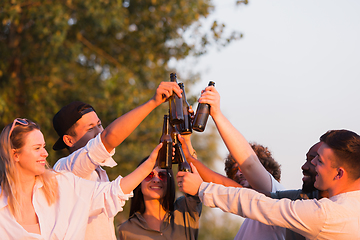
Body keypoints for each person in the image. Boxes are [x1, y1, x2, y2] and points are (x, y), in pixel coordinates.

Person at [52, 81, 182, 240]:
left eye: (99, 125)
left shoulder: (98, 172)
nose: (99, 131)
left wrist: (155, 160)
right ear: (69, 140)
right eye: (90, 128)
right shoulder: (65, 169)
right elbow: (107, 138)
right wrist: (153, 102)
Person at [178, 129, 360, 237]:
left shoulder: (327, 215)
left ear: (339, 173)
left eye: (318, 161)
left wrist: (202, 188)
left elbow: (261, 205)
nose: (310, 165)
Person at [0, 118, 162, 239]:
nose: (45, 153)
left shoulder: (62, 184)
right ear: (16, 155)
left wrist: (149, 166)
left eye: (44, 147)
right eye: (37, 148)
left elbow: (112, 192)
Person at [180, 134, 285, 240]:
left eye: (243, 168)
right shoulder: (251, 216)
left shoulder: (276, 196)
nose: (238, 173)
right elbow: (225, 188)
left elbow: (222, 185)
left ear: (266, 170)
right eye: (235, 170)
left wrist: (190, 159)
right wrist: (187, 142)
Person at [118, 156, 202, 240]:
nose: (156, 180)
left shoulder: (185, 209)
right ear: (138, 182)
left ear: (169, 181)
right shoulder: (126, 230)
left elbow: (196, 181)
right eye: (149, 175)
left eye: (162, 175)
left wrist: (182, 152)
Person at [270, 142, 329, 240]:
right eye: (308, 160)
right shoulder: (302, 197)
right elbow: (258, 199)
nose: (304, 166)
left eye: (317, 160)